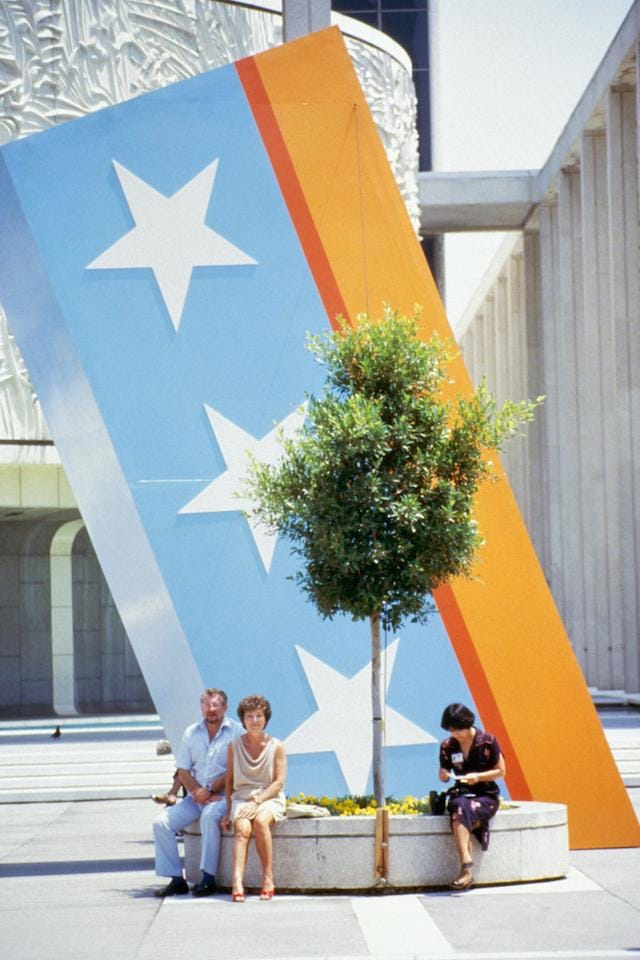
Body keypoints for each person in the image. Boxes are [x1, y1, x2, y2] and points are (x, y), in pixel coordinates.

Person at [153, 688, 242, 897]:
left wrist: (209, 790)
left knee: (210, 816)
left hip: (222, 797)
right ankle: (176, 879)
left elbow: (235, 770)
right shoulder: (191, 732)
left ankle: (208, 878)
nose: (210, 710)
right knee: (161, 822)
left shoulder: (237, 732)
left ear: (224, 708)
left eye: (215, 705)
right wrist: (196, 791)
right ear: (201, 707)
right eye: (206, 705)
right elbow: (183, 769)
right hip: (196, 797)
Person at [221, 694, 286, 902]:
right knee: (242, 830)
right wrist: (228, 810)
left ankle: (268, 878)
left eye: (259, 715)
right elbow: (229, 781)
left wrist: (257, 801)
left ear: (266, 718)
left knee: (260, 822)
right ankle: (237, 881)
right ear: (243, 719)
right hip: (242, 797)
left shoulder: (277, 746)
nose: (255, 721)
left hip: (268, 797)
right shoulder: (233, 746)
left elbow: (278, 783)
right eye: (250, 716)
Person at [438, 702, 506, 891]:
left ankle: (466, 869)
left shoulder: (488, 741)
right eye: (452, 730)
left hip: (485, 795)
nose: (456, 734)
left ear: (468, 723)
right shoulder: (448, 746)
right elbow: (444, 770)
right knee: (460, 806)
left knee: (461, 812)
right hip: (461, 794)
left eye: (459, 729)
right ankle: (466, 868)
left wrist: (478, 777)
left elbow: (501, 771)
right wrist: (443, 774)